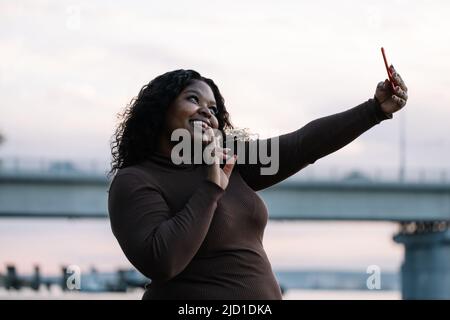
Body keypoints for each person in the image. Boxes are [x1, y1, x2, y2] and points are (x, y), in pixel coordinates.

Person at [107, 68, 408, 299]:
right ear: (160, 109)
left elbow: (303, 144)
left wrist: (375, 110)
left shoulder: (230, 161)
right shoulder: (135, 180)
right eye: (193, 99)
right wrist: (210, 189)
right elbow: (162, 261)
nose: (206, 112)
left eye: (213, 109)